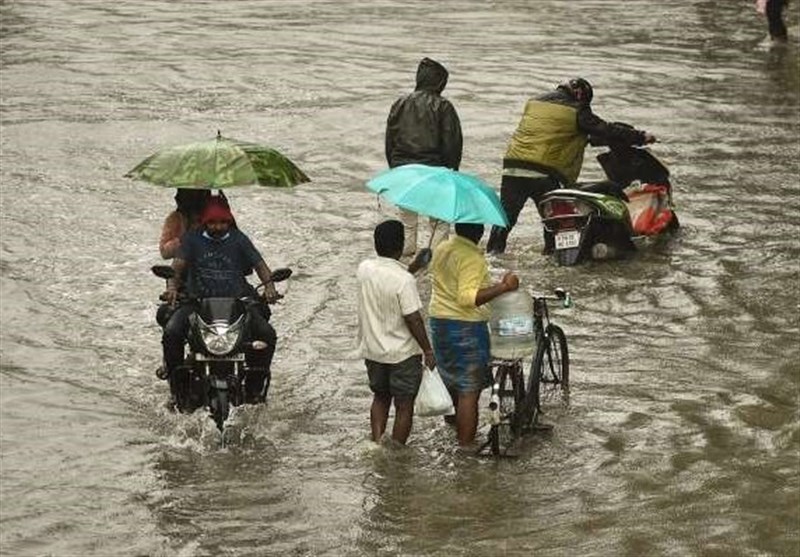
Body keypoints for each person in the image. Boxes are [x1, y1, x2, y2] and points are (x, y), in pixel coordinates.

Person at [485, 78, 656, 255]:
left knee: (505, 217)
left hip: (513, 167)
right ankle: (552, 255)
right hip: (544, 172)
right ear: (580, 94)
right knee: (555, 219)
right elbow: (604, 129)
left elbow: (554, 133)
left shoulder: (534, 103)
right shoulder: (577, 109)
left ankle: (492, 254)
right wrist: (640, 136)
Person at [161, 198, 280, 405]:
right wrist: (172, 288)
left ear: (229, 222)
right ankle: (176, 388)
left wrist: (270, 286)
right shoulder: (191, 240)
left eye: (223, 222)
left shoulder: (239, 239)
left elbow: (261, 266)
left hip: (238, 303)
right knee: (172, 332)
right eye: (213, 223)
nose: (218, 227)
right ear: (205, 222)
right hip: (196, 302)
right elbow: (177, 268)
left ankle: (254, 388)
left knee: (267, 334)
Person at [428, 222, 519, 448]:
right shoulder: (471, 257)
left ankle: (453, 432)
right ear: (479, 233)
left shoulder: (441, 248)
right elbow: (468, 298)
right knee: (469, 390)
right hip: (465, 326)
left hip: (439, 323)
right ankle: (465, 448)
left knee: (451, 381)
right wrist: (504, 287)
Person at [356, 220, 436, 445]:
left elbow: (389, 280)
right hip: (402, 353)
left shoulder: (364, 269)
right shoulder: (404, 280)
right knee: (404, 403)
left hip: (373, 350)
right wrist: (428, 350)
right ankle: (397, 449)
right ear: (400, 246)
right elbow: (413, 319)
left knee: (380, 397)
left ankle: (377, 442)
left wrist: (414, 267)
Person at [385, 57, 463, 257]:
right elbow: (452, 143)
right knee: (439, 222)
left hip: (403, 171)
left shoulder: (399, 103)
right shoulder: (443, 106)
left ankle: (405, 255)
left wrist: (394, 168)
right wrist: (452, 170)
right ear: (439, 83)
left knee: (407, 223)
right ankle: (434, 260)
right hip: (434, 171)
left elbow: (390, 141)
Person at [159, 188, 211, 259]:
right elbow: (164, 252)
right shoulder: (175, 218)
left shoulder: (213, 216)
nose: (176, 197)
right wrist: (182, 241)